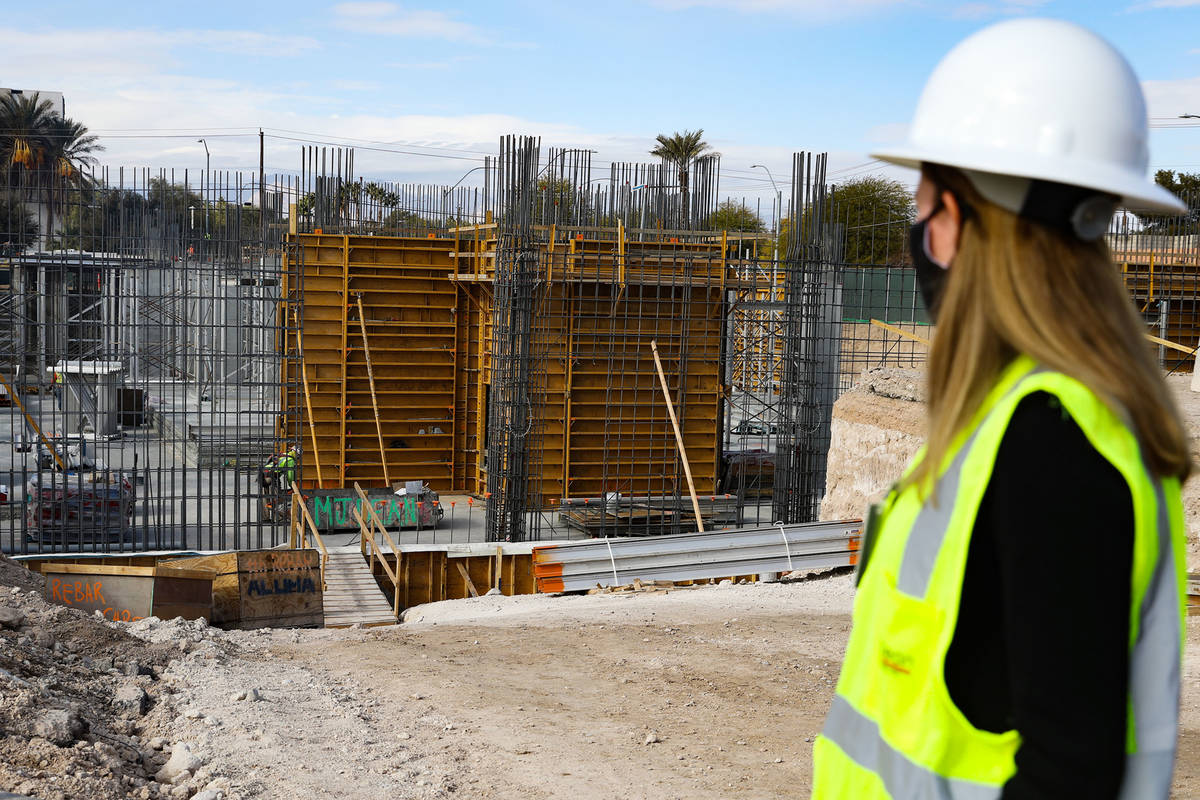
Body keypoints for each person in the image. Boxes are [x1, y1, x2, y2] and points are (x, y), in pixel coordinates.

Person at [812, 19, 1190, 800]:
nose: (918, 234)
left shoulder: (1050, 445)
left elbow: (1069, 769)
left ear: (955, 221)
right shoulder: (1019, 423)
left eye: (922, 207)